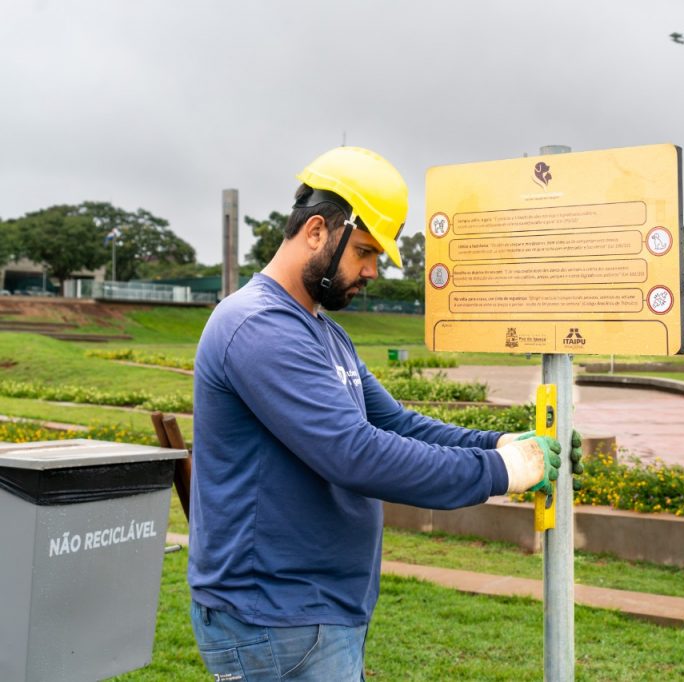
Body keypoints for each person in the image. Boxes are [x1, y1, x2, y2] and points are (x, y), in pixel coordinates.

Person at [188, 146, 574, 681]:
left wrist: (497, 443)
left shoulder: (322, 331)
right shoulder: (257, 327)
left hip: (312, 613)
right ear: (319, 231)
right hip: (275, 617)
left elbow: (395, 424)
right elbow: (356, 454)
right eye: (365, 250)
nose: (372, 270)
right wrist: (503, 473)